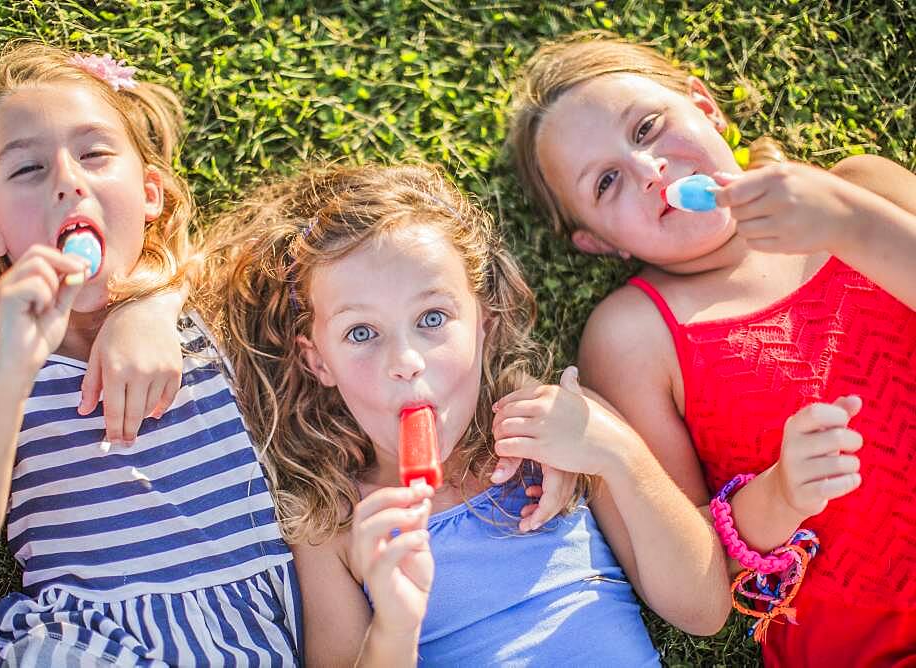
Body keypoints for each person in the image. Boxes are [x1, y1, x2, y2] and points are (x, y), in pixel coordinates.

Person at [199, 163, 730, 666]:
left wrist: (617, 454)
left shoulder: (565, 431)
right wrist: (396, 625)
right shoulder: (333, 526)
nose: (405, 361)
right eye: (361, 333)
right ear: (319, 360)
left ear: (483, 324)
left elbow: (703, 611)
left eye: (432, 317)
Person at [507, 31, 916, 666]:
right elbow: (696, 573)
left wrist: (847, 221)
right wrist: (780, 493)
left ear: (705, 106)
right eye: (608, 181)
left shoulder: (859, 190)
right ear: (596, 241)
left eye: (647, 128)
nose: (650, 172)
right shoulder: (633, 336)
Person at [0, 43, 300, 666]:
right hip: (87, 639)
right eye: (27, 170)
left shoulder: (208, 307)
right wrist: (16, 368)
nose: (69, 180)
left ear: (150, 193)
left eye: (94, 154)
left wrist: (151, 304)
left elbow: (310, 247)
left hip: (251, 630)